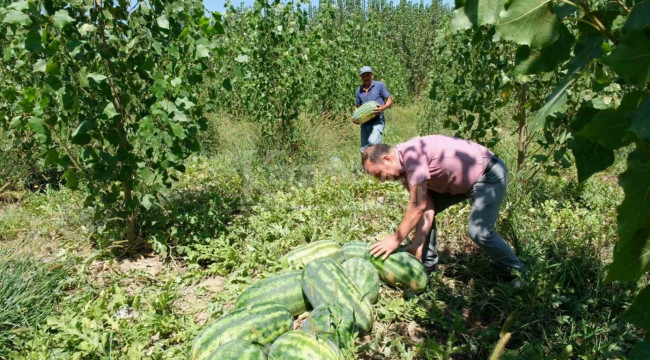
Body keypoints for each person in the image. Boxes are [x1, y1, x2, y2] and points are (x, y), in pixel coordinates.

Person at [362, 135, 524, 279]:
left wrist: (395, 239)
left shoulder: (413, 155)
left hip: (488, 174)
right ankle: (428, 265)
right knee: (419, 213)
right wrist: (418, 243)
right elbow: (425, 206)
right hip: (461, 183)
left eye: (379, 174)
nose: (382, 180)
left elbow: (417, 205)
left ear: (387, 159)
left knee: (479, 232)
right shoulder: (403, 171)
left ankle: (518, 272)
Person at [353, 66, 393, 153]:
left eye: (368, 75)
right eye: (363, 76)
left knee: (373, 142)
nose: (366, 78)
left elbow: (389, 100)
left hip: (378, 120)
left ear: (372, 75)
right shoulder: (358, 90)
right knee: (364, 151)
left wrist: (383, 108)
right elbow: (357, 106)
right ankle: (367, 166)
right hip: (364, 122)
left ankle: (381, 158)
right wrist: (355, 117)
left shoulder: (379, 85)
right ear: (361, 78)